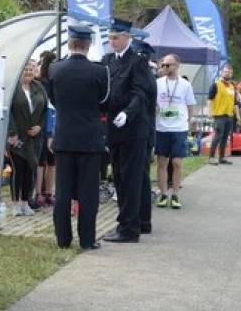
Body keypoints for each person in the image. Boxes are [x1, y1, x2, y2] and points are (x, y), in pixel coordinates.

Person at [48, 24, 110, 249]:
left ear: (69, 44)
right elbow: (104, 101)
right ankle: (87, 239)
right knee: (88, 193)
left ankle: (63, 239)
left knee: (62, 192)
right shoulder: (100, 71)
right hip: (90, 139)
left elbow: (53, 100)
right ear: (89, 45)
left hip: (64, 138)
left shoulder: (55, 69)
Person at [102, 19, 151, 243]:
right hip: (114, 127)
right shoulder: (107, 61)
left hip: (132, 128)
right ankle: (132, 221)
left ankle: (129, 228)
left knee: (131, 177)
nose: (112, 41)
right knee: (120, 176)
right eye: (110, 37)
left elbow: (140, 92)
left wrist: (128, 113)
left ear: (127, 38)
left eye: (116, 37)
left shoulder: (137, 61)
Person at [8, 60, 49, 216]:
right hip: (17, 137)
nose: (28, 72)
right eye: (25, 69)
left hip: (35, 138)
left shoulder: (39, 88)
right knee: (18, 169)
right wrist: (11, 133)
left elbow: (46, 109)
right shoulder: (14, 88)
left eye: (31, 69)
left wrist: (40, 126)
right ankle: (16, 203)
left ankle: (26, 201)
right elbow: (9, 112)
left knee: (31, 169)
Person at [154, 53, 195, 210]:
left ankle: (175, 194)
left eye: (168, 65)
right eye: (163, 64)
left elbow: (190, 104)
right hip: (162, 127)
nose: (165, 67)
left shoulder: (185, 85)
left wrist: (189, 120)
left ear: (177, 65)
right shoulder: (158, 83)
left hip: (179, 128)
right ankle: (164, 194)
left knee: (177, 162)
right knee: (162, 162)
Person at [132, 38, 159, 234]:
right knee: (142, 176)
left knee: (139, 177)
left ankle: (141, 220)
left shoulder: (143, 77)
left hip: (141, 132)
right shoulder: (148, 75)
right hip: (146, 131)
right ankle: (143, 220)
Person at [35, 50, 58, 207]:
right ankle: (46, 192)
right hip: (47, 124)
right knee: (48, 162)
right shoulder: (43, 83)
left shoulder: (45, 83)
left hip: (48, 124)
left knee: (45, 162)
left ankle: (42, 193)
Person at [207, 64, 239, 166]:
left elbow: (235, 103)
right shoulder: (216, 85)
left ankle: (222, 157)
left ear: (232, 74)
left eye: (229, 72)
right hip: (219, 115)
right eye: (225, 71)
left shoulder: (232, 86)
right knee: (218, 136)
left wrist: (237, 116)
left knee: (225, 137)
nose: (227, 73)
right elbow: (210, 100)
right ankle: (211, 157)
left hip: (229, 115)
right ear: (221, 73)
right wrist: (209, 112)